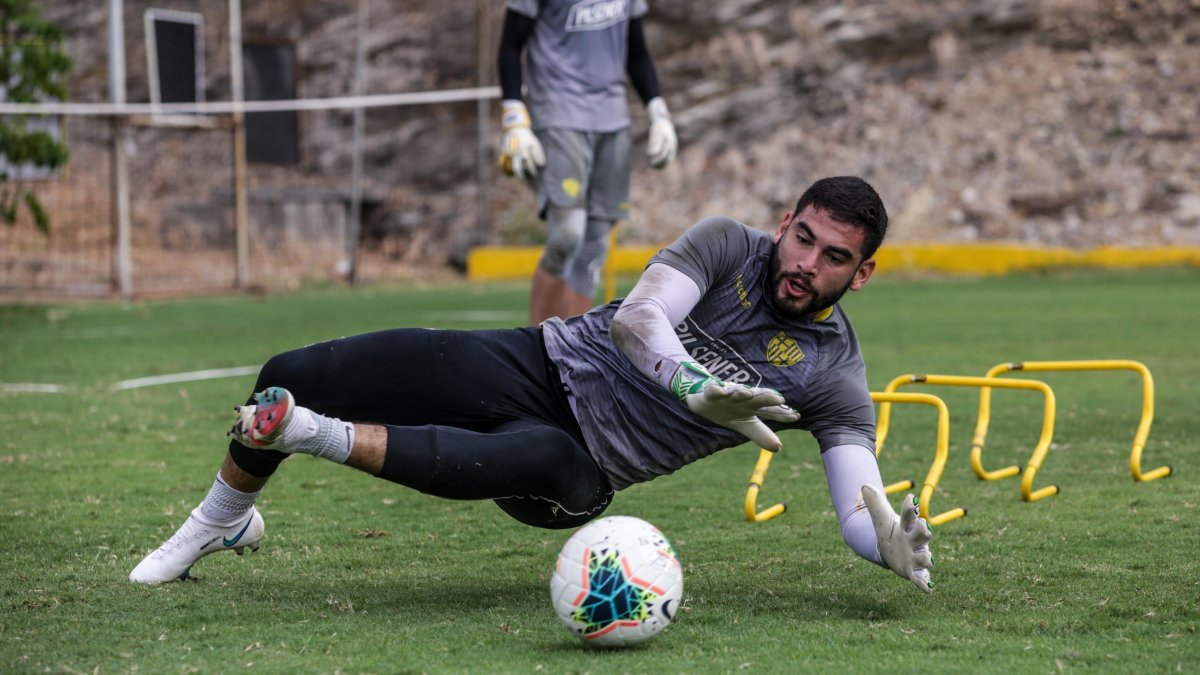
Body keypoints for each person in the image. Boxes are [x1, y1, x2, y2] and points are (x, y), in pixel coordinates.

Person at [129, 176, 933, 594]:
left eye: (833, 256)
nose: (805, 263)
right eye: (802, 237)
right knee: (292, 372)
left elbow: (858, 506)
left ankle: (311, 433)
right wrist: (691, 383)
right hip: (537, 361)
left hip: (580, 472)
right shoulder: (728, 244)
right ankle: (223, 520)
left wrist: (885, 545)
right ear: (785, 222)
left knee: (543, 452)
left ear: (861, 274)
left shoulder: (834, 374)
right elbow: (639, 320)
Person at [496, 0, 678, 325]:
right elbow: (510, 46)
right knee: (567, 236)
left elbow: (637, 52)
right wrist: (514, 117)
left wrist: (658, 112)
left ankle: (570, 349)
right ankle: (534, 345)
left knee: (594, 249)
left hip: (613, 119)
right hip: (557, 113)